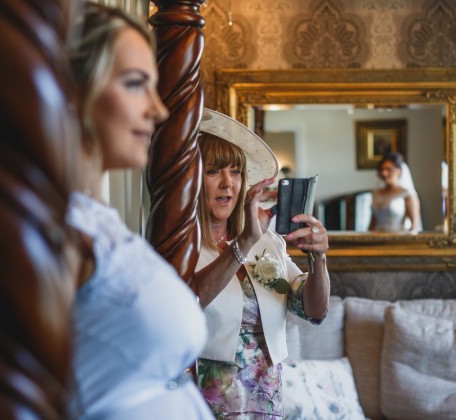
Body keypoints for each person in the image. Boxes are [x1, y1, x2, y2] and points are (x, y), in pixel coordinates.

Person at [66, 4, 214, 419]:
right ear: (73, 92)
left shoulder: (100, 222)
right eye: (135, 84)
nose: (159, 109)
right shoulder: (63, 234)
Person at [194, 109, 331, 418]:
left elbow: (313, 310)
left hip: (266, 395)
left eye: (236, 171)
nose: (227, 183)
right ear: (193, 180)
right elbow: (187, 303)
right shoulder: (182, 249)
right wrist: (243, 242)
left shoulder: (268, 243)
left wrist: (319, 259)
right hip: (209, 394)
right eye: (214, 171)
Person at [368, 152, 422, 233]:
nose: (384, 173)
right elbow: (372, 223)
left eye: (389, 169)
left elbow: (414, 226)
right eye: (382, 169)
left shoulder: (408, 195)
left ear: (399, 171)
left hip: (398, 240)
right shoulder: (376, 193)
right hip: (377, 238)